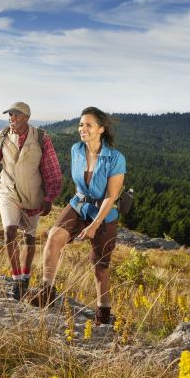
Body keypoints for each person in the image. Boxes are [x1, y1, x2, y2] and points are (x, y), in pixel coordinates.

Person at [37, 106, 126, 325]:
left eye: (88, 125)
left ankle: (103, 313)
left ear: (101, 129)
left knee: (100, 266)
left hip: (103, 212)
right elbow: (80, 184)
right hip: (78, 204)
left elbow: (111, 196)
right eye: (80, 124)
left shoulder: (115, 158)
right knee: (53, 237)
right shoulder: (76, 150)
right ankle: (46, 291)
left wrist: (95, 224)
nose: (82, 129)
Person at [0, 102, 62, 301]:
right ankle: (16, 280)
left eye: (16, 115)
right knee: (9, 232)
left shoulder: (41, 138)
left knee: (29, 239)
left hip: (33, 195)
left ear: (26, 117)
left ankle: (25, 278)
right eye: (10, 114)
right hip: (8, 192)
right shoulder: (1, 136)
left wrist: (49, 197)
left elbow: (52, 169)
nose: (11, 118)